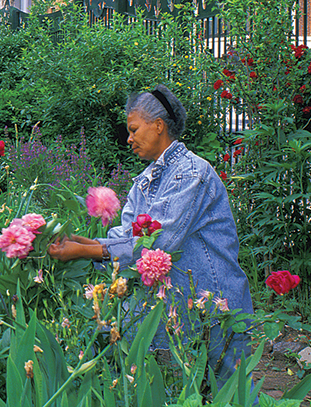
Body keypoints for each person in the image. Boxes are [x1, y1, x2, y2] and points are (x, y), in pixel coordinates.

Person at [48, 84, 253, 385]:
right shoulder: (145, 181)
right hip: (181, 310)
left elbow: (156, 244)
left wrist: (85, 251)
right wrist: (82, 242)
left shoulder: (191, 174)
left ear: (158, 126)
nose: (128, 139)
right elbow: (127, 235)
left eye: (133, 129)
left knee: (235, 395)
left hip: (215, 308)